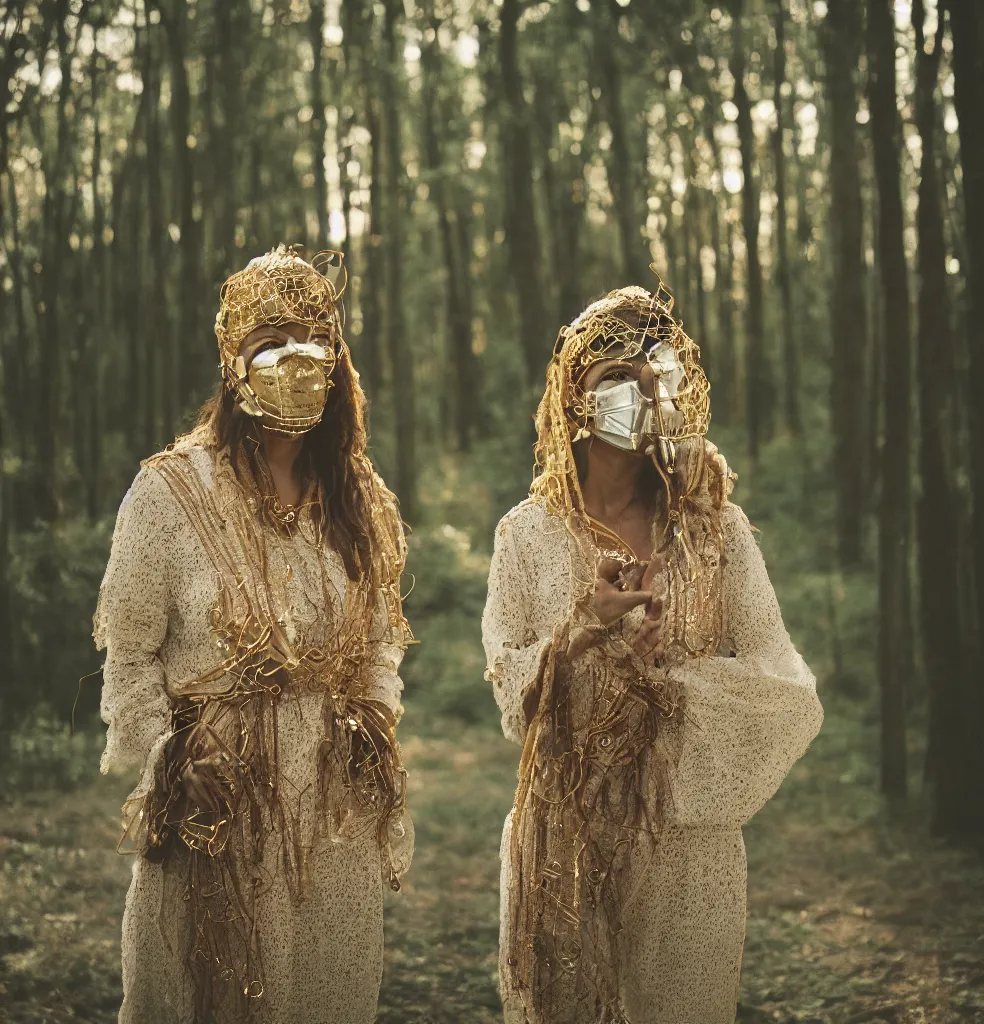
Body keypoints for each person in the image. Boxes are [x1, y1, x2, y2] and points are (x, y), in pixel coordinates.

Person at [482, 284, 824, 1024]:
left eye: (651, 379)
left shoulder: (716, 530)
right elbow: (514, 697)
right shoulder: (527, 535)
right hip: (564, 834)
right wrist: (586, 631)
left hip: (688, 843)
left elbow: (785, 679)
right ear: (575, 394)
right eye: (615, 381)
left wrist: (677, 687)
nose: (637, 398)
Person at [94, 245, 413, 1024]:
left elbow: (377, 642)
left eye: (312, 340)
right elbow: (130, 653)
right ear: (233, 363)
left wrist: (367, 727)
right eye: (270, 342)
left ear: (337, 363)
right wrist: (173, 757)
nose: (293, 360)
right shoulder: (169, 492)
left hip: (332, 821)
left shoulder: (359, 498)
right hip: (216, 803)